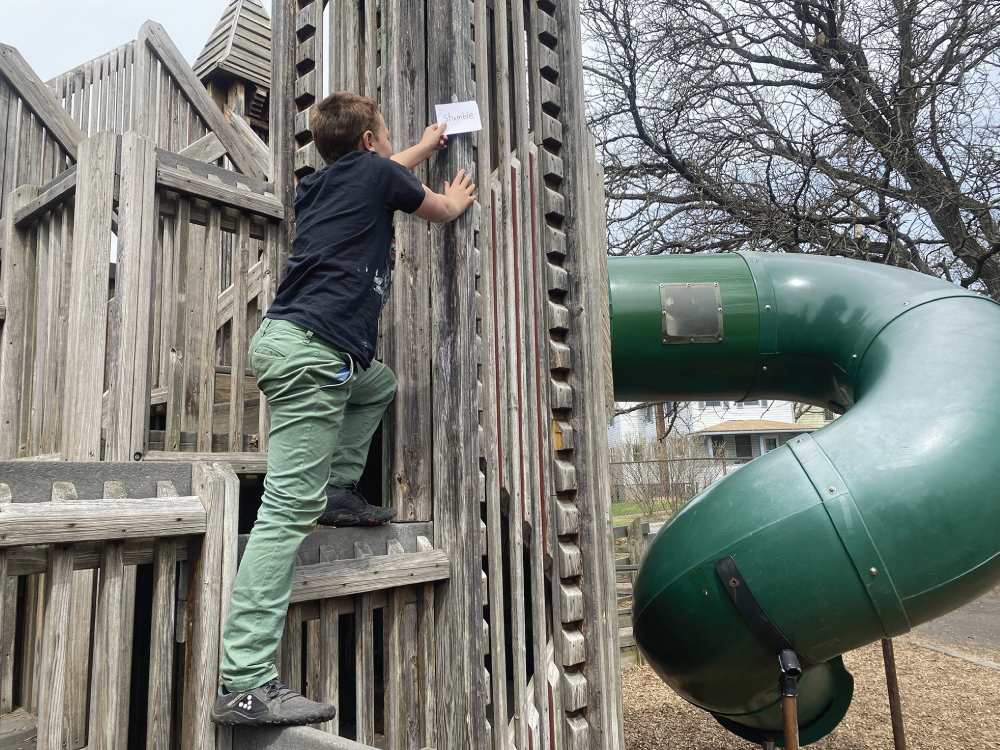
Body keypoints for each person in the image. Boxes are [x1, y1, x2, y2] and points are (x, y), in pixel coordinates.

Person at [211, 91, 476, 726]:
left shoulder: (318, 184)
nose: (390, 149)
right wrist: (456, 197)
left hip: (283, 341)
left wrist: (422, 142)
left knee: (377, 383)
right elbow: (436, 209)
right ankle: (244, 677)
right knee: (284, 511)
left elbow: (386, 165)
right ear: (368, 144)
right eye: (385, 138)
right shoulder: (378, 171)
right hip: (313, 351)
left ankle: (337, 487)